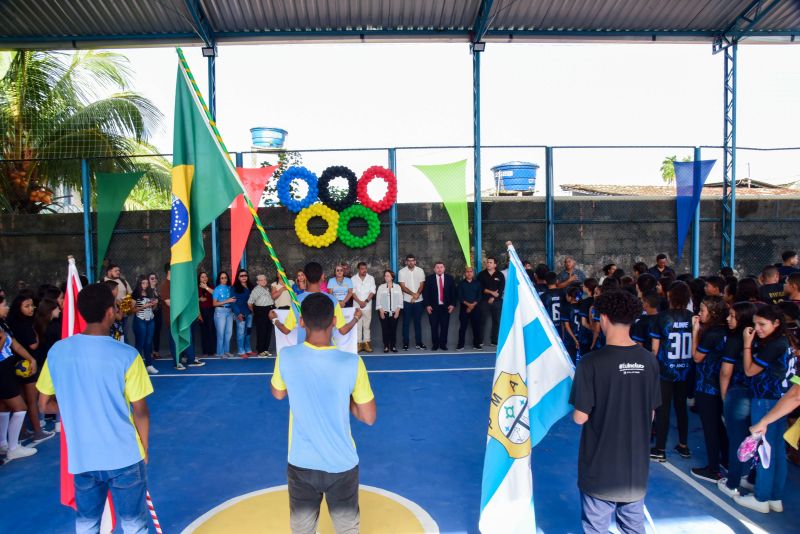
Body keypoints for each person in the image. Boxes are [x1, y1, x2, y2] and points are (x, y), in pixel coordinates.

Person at [37, 283, 153, 532]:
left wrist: (73, 406)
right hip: (124, 454)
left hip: (82, 456)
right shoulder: (127, 355)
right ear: (110, 312)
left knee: (87, 522)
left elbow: (44, 403)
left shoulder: (57, 351)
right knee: (134, 523)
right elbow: (140, 410)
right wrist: (143, 447)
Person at [270, 293, 376, 533]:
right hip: (342, 464)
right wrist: (345, 396)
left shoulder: (286, 357)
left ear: (301, 322)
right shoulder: (352, 363)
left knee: (302, 529)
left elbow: (278, 393)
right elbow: (368, 417)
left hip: (301, 463)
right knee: (347, 528)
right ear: (335, 321)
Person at [570, 290, 660, 534]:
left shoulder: (590, 363)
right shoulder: (649, 360)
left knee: (596, 527)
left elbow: (580, 418)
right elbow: (651, 412)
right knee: (633, 526)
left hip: (600, 467)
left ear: (604, 318)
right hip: (635, 469)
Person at [734, 304, 795, 513]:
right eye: (754, 324)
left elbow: (750, 371)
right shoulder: (786, 341)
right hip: (781, 400)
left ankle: (761, 498)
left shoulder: (774, 345)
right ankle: (775, 497)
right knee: (776, 450)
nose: (757, 328)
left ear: (776, 323)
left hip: (767, 401)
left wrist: (747, 344)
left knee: (764, 450)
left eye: (762, 324)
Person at [649, 280, 694, 462]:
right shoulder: (693, 317)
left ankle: (660, 448)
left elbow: (654, 349)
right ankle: (683, 445)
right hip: (685, 369)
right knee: (681, 407)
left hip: (665, 370)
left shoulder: (662, 317)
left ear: (669, 296)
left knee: (663, 409)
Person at [717, 302, 757, 498]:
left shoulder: (735, 340)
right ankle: (751, 479)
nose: (728, 319)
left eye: (732, 316)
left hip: (739, 393)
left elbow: (725, 372)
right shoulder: (763, 338)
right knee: (758, 440)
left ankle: (732, 482)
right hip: (760, 395)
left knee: (737, 441)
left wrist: (725, 399)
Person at [689, 296, 730, 482]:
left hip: (707, 386)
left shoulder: (712, 334)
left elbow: (696, 357)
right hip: (720, 386)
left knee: (710, 428)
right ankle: (726, 460)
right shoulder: (726, 331)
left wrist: (695, 331)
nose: (699, 313)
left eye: (703, 310)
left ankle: (713, 469)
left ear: (712, 313)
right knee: (719, 426)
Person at [270, 262, 361, 345]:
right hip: (327, 352)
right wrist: (356, 318)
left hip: (304, 352)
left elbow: (286, 330)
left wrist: (274, 319)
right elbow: (343, 330)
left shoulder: (297, 300)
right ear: (322, 276)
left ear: (305, 276)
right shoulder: (332, 300)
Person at [7, 294, 54, 443]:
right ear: (18, 308)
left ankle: (22, 432)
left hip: (18, 365)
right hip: (27, 366)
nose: (31, 308)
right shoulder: (24, 324)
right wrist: (35, 331)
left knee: (22, 401)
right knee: (31, 400)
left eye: (32, 305)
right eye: (26, 306)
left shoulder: (10, 323)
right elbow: (33, 344)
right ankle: (37, 431)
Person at [0, 295, 39, 461]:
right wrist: (1, 339)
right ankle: (14, 447)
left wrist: (31, 358)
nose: (7, 307)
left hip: (8, 368)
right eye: (4, 304)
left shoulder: (3, 323)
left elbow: (14, 343)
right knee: (20, 407)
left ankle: (3, 442)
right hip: (1, 370)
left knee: (4, 407)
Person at [161, 264, 205, 370]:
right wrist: (183, 303)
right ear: (169, 271)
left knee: (187, 336)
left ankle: (190, 359)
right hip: (172, 318)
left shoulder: (176, 284)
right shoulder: (165, 285)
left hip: (182, 317)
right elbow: (168, 302)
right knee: (175, 340)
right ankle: (177, 362)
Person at [423, 262, 456, 351]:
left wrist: (452, 305)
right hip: (433, 308)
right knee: (434, 327)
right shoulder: (429, 279)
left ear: (444, 268)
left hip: (446, 307)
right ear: (434, 269)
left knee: (444, 326)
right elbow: (425, 293)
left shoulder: (450, 279)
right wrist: (427, 305)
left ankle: (443, 344)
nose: (439, 269)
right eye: (437, 267)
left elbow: (454, 293)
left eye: (441, 267)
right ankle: (435, 344)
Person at [398, 254, 426, 351]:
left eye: (412, 260)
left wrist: (417, 294)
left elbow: (422, 284)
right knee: (405, 323)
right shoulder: (401, 272)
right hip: (406, 301)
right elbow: (402, 286)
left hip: (419, 301)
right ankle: (405, 344)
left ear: (415, 261)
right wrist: (413, 294)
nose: (411, 262)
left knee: (417, 323)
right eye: (409, 260)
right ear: (406, 262)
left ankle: (419, 343)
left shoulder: (420, 271)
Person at [131, 275, 158, 375]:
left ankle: (149, 365)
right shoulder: (135, 293)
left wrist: (154, 303)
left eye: (147, 283)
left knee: (148, 343)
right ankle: (136, 366)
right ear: (139, 283)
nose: (145, 285)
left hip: (150, 320)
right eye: (143, 283)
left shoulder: (150, 292)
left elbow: (153, 309)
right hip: (140, 320)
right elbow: (132, 310)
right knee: (140, 343)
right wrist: (144, 306)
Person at [478, 257, 505, 346]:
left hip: (497, 302)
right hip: (484, 301)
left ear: (495, 265)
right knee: (482, 321)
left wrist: (493, 297)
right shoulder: (481, 275)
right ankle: (480, 341)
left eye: (490, 262)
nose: (488, 264)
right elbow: (480, 288)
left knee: (497, 321)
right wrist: (491, 292)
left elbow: (501, 289)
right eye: (487, 262)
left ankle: (494, 341)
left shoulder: (500, 275)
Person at [351, 262, 376, 353]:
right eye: (362, 268)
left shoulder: (371, 278)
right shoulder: (353, 279)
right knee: (357, 326)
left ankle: (366, 343)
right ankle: (358, 344)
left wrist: (365, 301)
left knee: (366, 326)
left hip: (367, 305)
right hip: (357, 306)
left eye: (365, 268)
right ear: (358, 269)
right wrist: (359, 302)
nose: (364, 270)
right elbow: (352, 292)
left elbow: (372, 291)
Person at [456, 266, 483, 351]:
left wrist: (472, 306)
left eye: (471, 271)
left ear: (473, 273)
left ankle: (477, 344)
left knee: (476, 327)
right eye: (467, 271)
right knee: (462, 328)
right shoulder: (461, 284)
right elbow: (460, 297)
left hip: (475, 309)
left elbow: (479, 296)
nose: (469, 273)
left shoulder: (477, 283)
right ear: (465, 273)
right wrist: (468, 305)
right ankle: (460, 345)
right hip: (464, 309)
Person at [376, 270, 403, 352]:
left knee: (393, 329)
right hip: (384, 312)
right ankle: (386, 346)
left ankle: (393, 346)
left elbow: (400, 299)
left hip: (395, 312)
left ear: (392, 277)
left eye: (387, 276)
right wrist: (381, 311)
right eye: (385, 276)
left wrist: (398, 311)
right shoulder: (381, 287)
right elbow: (378, 299)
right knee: (385, 329)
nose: (386, 277)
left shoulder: (397, 287)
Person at [248, 273, 274, 357]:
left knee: (268, 331)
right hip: (261, 311)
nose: (263, 281)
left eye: (264, 279)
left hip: (269, 310)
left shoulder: (266, 288)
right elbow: (250, 302)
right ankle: (260, 351)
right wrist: (255, 311)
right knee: (261, 332)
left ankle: (265, 350)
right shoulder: (256, 290)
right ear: (257, 282)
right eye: (261, 280)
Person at [213, 271, 236, 358]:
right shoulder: (217, 289)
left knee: (229, 332)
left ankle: (226, 351)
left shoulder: (230, 288)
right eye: (222, 278)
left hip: (229, 311)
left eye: (225, 277)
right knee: (220, 333)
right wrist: (227, 301)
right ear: (219, 279)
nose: (224, 279)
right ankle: (220, 352)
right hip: (220, 311)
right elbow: (214, 303)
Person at [232, 269, 254, 357]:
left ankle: (248, 350)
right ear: (238, 277)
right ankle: (241, 351)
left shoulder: (251, 287)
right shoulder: (234, 288)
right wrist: (238, 314)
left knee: (248, 332)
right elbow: (232, 302)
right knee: (241, 333)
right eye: (241, 276)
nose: (244, 277)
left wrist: (253, 311)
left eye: (245, 275)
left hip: (249, 314)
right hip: (241, 314)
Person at [561, 285, 582, 363]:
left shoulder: (566, 308)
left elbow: (566, 326)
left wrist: (574, 339)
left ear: (570, 297)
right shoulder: (582, 306)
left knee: (571, 360)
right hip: (581, 336)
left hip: (570, 339)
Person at [197, 272, 216, 356]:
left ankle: (212, 351)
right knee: (204, 332)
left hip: (211, 310)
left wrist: (206, 287)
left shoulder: (211, 286)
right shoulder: (196, 288)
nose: (204, 278)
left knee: (211, 330)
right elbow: (192, 302)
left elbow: (216, 294)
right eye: (202, 277)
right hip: (201, 311)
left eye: (206, 276)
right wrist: (199, 299)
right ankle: (205, 351)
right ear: (199, 279)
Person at [148, 273, 163, 361]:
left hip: (158, 314)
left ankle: (156, 352)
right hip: (150, 314)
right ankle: (149, 352)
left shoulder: (158, 290)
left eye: (155, 278)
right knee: (150, 334)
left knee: (157, 333)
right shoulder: (147, 290)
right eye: (152, 278)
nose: (154, 280)